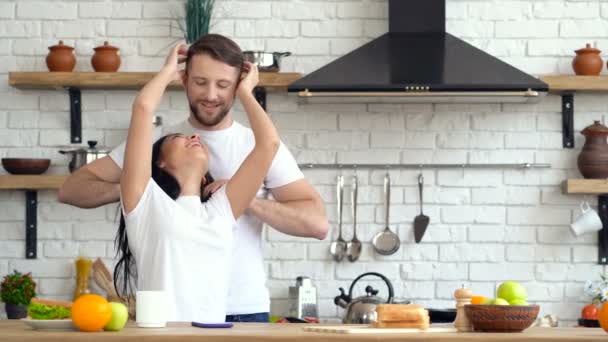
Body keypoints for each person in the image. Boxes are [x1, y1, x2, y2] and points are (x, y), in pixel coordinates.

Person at [58, 34, 329, 323]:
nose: (211, 95)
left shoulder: (220, 208)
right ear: (185, 80)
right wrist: (139, 189)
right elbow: (73, 188)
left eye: (224, 85)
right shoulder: (150, 174)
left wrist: (248, 95)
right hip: (164, 323)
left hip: (241, 308)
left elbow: (273, 152)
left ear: (235, 86)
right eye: (201, 82)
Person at [116, 42, 279, 323]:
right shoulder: (145, 203)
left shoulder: (219, 210)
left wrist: (244, 93)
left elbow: (268, 144)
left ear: (206, 174)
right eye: (179, 138)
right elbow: (143, 108)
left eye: (195, 139)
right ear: (160, 163)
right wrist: (168, 72)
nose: (194, 137)